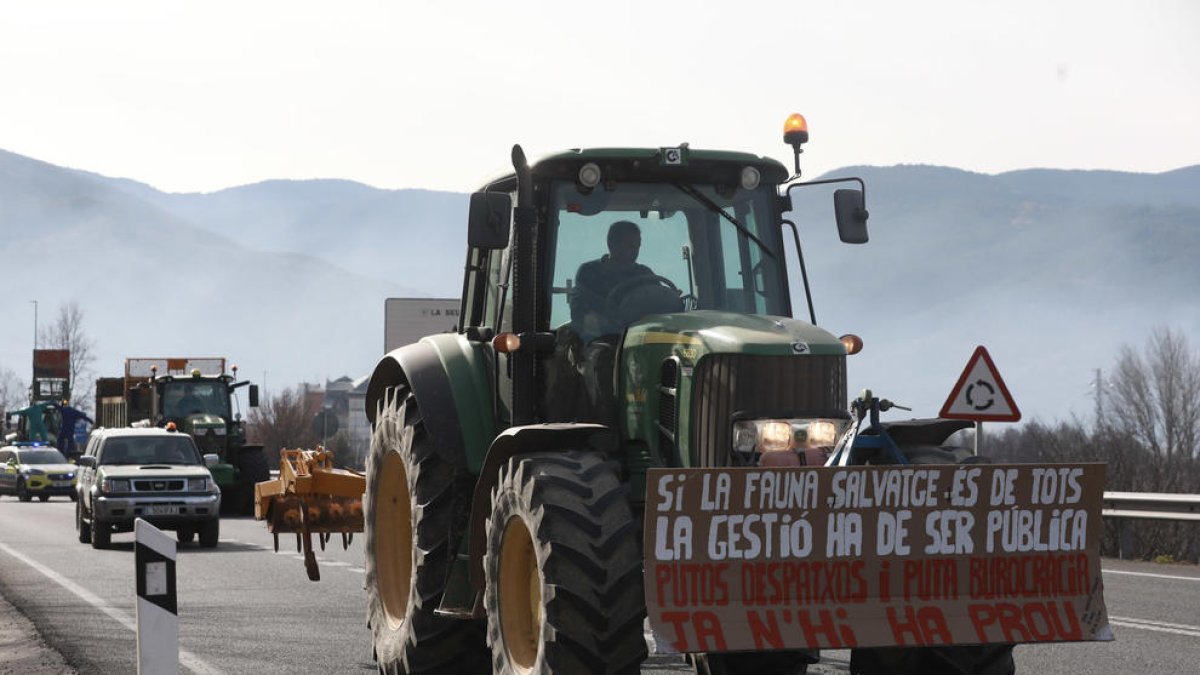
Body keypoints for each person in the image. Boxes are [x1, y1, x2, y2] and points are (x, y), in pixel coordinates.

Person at [570, 220, 655, 341]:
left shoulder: (645, 274)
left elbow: (659, 301)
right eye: (630, 246)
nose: (635, 251)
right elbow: (581, 310)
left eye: (638, 246)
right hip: (599, 341)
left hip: (638, 338)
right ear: (611, 244)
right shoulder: (589, 272)